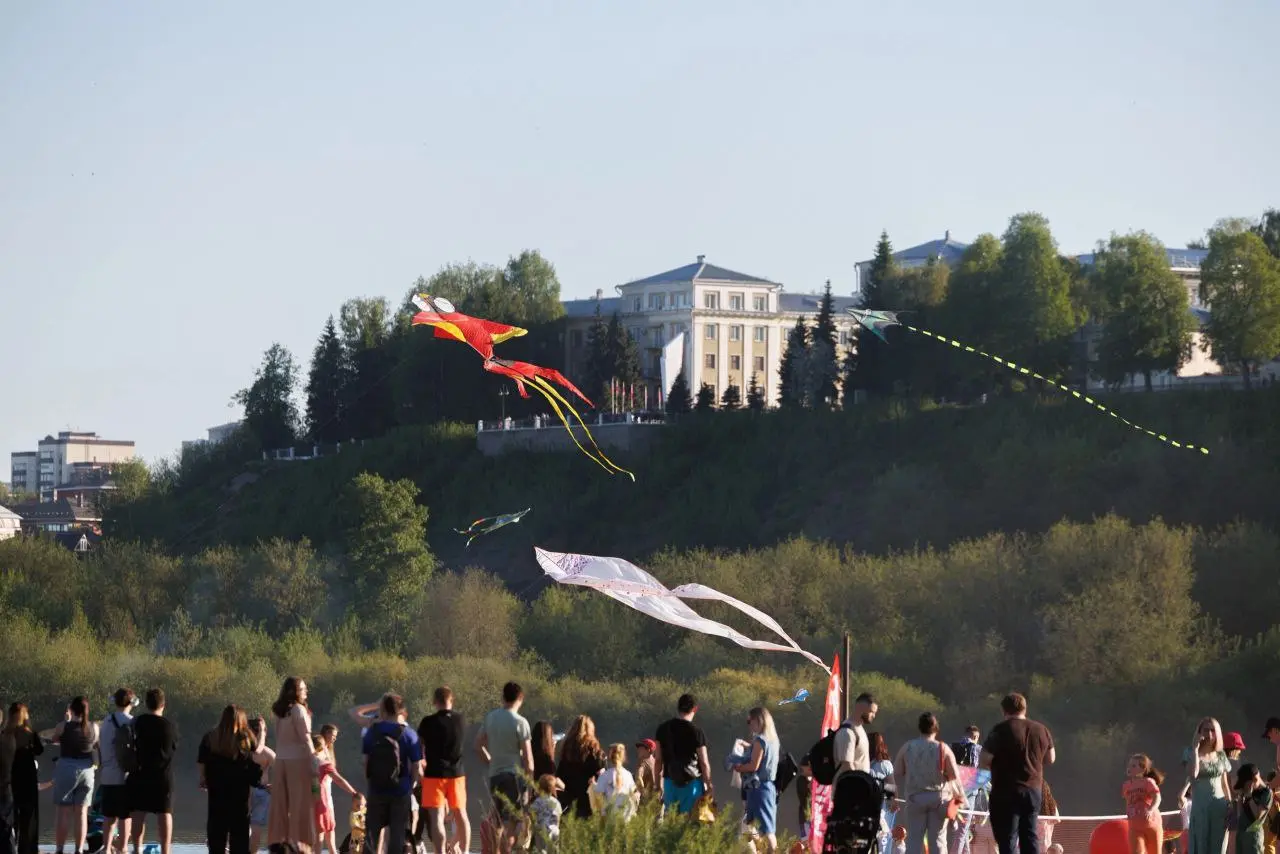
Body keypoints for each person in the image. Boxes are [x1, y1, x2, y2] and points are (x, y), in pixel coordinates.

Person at [979, 693, 1055, 854]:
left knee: (1008, 838)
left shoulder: (1000, 730)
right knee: (1030, 835)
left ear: (1004, 710)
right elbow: (1051, 758)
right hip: (1033, 790)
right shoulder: (1041, 729)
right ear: (1025, 708)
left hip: (1005, 792)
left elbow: (985, 759)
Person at [198, 705, 273, 854]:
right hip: (239, 796)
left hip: (217, 794)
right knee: (239, 840)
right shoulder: (244, 737)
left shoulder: (210, 737)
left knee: (216, 837)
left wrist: (203, 778)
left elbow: (201, 761)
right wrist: (262, 733)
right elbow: (257, 750)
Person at [475, 682, 533, 854]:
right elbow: (528, 759)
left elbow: (478, 745)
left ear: (503, 697)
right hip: (513, 778)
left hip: (494, 776)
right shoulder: (521, 722)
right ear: (520, 699)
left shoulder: (491, 717)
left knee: (497, 822)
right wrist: (530, 786)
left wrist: (490, 761)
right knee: (511, 824)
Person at [362, 694, 421, 854]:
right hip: (401, 790)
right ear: (400, 710)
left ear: (383, 709)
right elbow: (416, 765)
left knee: (371, 835)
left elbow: (365, 761)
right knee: (397, 835)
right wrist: (412, 785)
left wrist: (371, 781)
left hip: (376, 789)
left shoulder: (372, 732)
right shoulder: (409, 734)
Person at [894, 712, 961, 854]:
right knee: (938, 840)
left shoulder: (908, 747)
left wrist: (892, 796)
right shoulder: (943, 748)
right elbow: (954, 775)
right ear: (936, 728)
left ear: (920, 728)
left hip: (915, 798)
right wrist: (958, 798)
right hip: (938, 799)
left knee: (914, 840)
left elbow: (897, 773)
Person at [417, 686, 469, 854]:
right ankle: (465, 851)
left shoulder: (427, 722)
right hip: (457, 773)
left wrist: (419, 765)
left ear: (434, 701)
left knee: (437, 817)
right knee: (461, 814)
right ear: (451, 700)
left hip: (434, 774)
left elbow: (419, 748)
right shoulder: (461, 720)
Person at [267, 676, 317, 852]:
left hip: (280, 761)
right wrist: (313, 759)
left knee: (280, 805)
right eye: (303, 689)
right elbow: (305, 737)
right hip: (297, 761)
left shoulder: (280, 713)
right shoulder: (298, 710)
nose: (306, 692)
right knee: (300, 804)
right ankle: (299, 843)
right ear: (295, 692)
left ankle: (279, 842)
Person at [127, 688, 178, 854]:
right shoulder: (169, 726)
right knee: (165, 812)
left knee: (138, 812)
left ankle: (136, 848)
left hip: (140, 773)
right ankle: (165, 850)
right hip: (163, 775)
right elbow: (174, 748)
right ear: (163, 704)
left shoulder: (138, 722)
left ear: (147, 704)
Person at [53, 696, 100, 854]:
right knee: (81, 812)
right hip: (87, 771)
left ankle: (59, 849)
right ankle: (79, 850)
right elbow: (95, 745)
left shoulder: (62, 726)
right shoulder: (93, 727)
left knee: (63, 811)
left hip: (67, 768)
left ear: (71, 710)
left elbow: (55, 740)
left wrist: (66, 721)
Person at [654, 693, 714, 816]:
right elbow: (703, 762)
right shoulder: (697, 732)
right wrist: (709, 784)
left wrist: (657, 785)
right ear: (695, 709)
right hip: (691, 783)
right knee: (689, 823)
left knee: (671, 822)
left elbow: (658, 760)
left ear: (678, 707)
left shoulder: (662, 729)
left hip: (669, 782)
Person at [732, 707, 781, 854]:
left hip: (759, 788)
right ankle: (758, 850)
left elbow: (754, 765)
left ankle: (769, 851)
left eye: (749, 721)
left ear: (758, 720)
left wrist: (738, 767)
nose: (749, 724)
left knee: (767, 830)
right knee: (749, 826)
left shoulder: (760, 740)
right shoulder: (773, 740)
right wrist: (748, 746)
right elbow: (762, 755)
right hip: (767, 787)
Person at [1183, 717, 1232, 854]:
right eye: (1206, 730)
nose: (1210, 734)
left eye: (1213, 730)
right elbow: (1193, 774)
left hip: (1220, 807)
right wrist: (1195, 749)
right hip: (1200, 807)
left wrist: (1230, 804)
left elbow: (1224, 784)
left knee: (1219, 846)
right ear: (1199, 732)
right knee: (1200, 844)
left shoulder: (1221, 755)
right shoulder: (1189, 752)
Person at [98, 689, 136, 854]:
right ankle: (123, 848)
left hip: (106, 775)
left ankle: (106, 848)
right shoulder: (131, 721)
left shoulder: (106, 721)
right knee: (125, 816)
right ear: (130, 702)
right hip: (124, 775)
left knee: (108, 815)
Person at [311, 735, 362, 854]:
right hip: (322, 805)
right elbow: (339, 780)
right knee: (322, 838)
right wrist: (353, 792)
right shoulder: (323, 764)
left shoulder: (304, 763)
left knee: (313, 839)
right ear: (322, 748)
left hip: (307, 805)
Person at [5, 703, 42, 854]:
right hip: (28, 778)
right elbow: (39, 750)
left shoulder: (6, 734)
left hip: (11, 777)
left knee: (10, 814)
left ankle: (8, 846)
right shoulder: (30, 734)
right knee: (29, 816)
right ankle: (28, 849)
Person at [556, 715, 605, 820]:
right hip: (589, 802)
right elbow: (601, 776)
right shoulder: (595, 752)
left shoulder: (566, 752)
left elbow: (559, 776)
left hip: (569, 802)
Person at [1123, 754, 1165, 854]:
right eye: (1129, 765)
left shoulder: (1148, 782)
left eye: (1134, 766)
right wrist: (1128, 812)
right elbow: (1128, 801)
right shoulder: (1126, 785)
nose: (1130, 768)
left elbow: (1157, 798)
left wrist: (1150, 810)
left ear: (1142, 769)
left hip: (1152, 825)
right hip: (1134, 827)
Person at [246, 716, 274, 854]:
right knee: (256, 825)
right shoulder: (267, 753)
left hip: (246, 789)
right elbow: (284, 770)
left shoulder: (243, 749)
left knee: (241, 822)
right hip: (262, 790)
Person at [835, 693, 879, 778]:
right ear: (860, 708)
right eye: (871, 712)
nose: (874, 716)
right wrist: (859, 784)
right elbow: (846, 765)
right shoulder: (847, 732)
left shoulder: (859, 730)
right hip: (849, 789)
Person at [592, 743, 638, 820]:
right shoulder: (628, 775)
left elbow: (598, 797)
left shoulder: (604, 775)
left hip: (609, 817)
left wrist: (593, 785)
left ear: (610, 757)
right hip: (626, 817)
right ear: (623, 757)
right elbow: (633, 794)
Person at [1234, 764, 1272, 854]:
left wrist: (1249, 796)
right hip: (1241, 834)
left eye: (1245, 785)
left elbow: (1257, 817)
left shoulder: (1266, 793)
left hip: (1253, 837)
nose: (1244, 788)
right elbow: (1240, 813)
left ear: (1254, 779)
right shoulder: (1246, 791)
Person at [529, 775, 564, 853]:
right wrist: (557, 828)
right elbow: (558, 818)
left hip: (541, 830)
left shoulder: (537, 801)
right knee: (553, 851)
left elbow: (532, 814)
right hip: (554, 831)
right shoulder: (556, 802)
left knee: (542, 851)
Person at [634, 739, 659, 807]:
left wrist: (644, 794)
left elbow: (638, 778)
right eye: (638, 748)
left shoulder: (643, 762)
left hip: (647, 803)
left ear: (648, 750)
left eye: (641, 748)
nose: (638, 750)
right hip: (659, 801)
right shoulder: (657, 763)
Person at [797, 758, 813, 843]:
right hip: (805, 815)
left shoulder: (816, 779)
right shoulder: (801, 780)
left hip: (814, 816)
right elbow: (806, 791)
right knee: (806, 840)